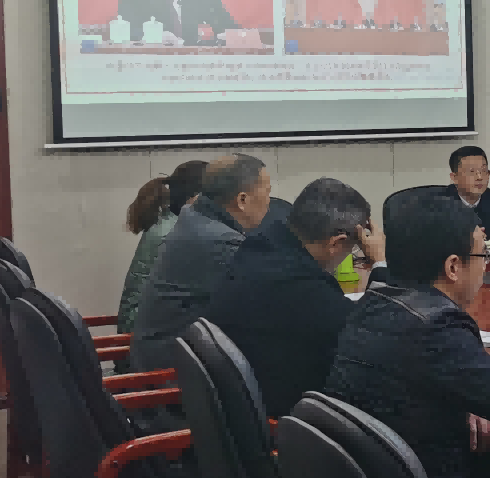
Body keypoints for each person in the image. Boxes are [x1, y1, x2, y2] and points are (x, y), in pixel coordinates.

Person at [325, 196, 490, 478]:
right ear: (453, 267)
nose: (485, 266)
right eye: (483, 255)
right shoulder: (435, 327)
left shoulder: (373, 303)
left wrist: (469, 397)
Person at [205, 177, 386, 418]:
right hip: (289, 421)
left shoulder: (258, 247)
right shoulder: (306, 291)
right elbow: (374, 335)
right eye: (353, 250)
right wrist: (380, 263)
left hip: (241, 406)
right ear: (336, 243)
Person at [130, 153, 273, 373]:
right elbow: (266, 303)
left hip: (164, 356)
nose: (270, 202)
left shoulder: (195, 218)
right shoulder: (220, 241)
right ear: (242, 200)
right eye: (268, 192)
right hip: (172, 375)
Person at [116, 159, 206, 333]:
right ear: (195, 198)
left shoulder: (171, 223)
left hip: (148, 325)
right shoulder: (174, 234)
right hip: (146, 333)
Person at [445, 144, 490, 239]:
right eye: (471, 172)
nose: (479, 177)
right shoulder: (440, 204)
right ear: (454, 177)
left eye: (483, 171)